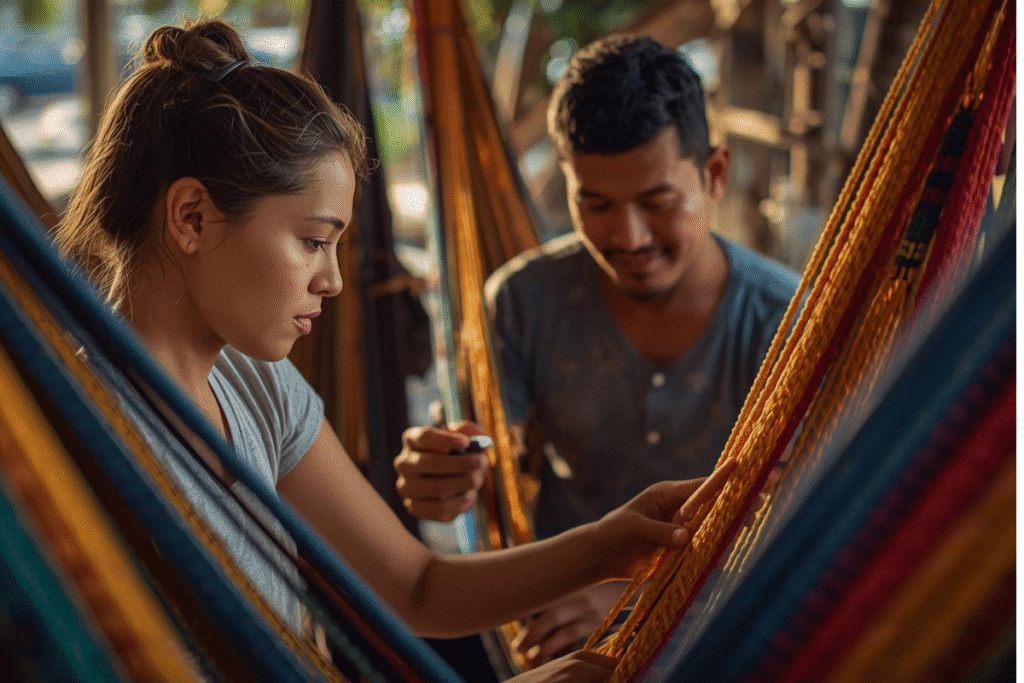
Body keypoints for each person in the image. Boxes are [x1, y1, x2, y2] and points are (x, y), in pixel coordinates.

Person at [53, 19, 735, 683]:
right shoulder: (83, 445)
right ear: (191, 217)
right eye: (314, 240)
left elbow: (418, 586)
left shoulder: (258, 387)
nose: (335, 279)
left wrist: (607, 545)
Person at [394, 34, 801, 667]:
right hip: (553, 636)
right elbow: (484, 454)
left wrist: (636, 593)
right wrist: (449, 476)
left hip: (731, 630)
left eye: (656, 202)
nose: (628, 236)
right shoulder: (523, 302)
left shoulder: (786, 325)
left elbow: (805, 530)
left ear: (714, 174)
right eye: (596, 204)